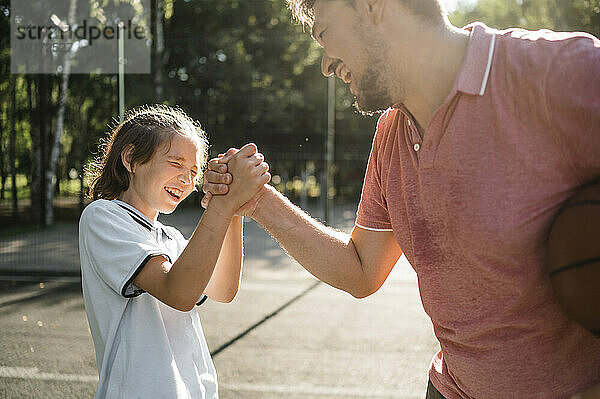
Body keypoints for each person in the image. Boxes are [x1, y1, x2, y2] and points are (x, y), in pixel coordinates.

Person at [201, 0, 600, 398]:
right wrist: (255, 199)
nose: (324, 65)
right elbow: (360, 269)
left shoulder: (555, 73)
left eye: (324, 35)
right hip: (449, 390)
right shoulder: (392, 134)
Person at [79, 104, 270, 398]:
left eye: (194, 171)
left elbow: (223, 289)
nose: (186, 178)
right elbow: (178, 292)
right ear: (130, 158)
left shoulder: (171, 237)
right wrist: (222, 206)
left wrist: (232, 206)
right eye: (176, 163)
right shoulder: (103, 217)